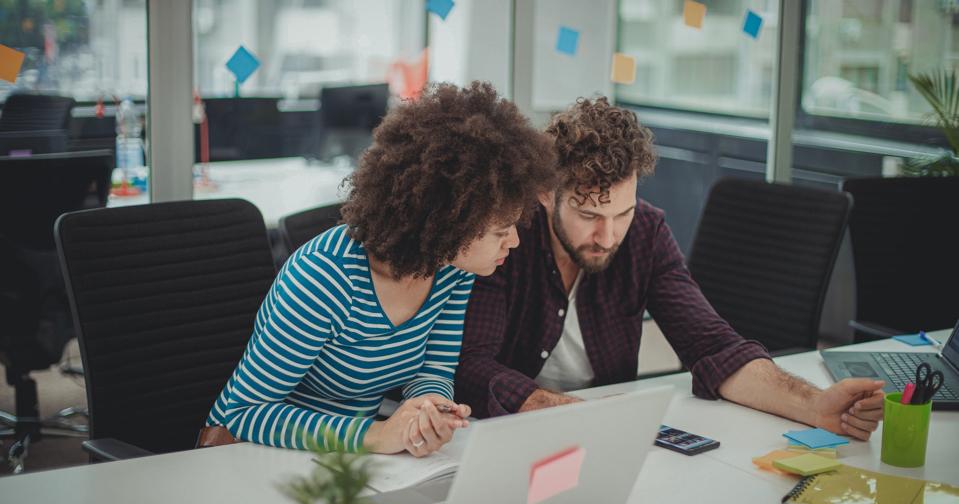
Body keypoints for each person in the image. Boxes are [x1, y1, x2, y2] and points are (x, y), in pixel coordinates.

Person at [454, 97, 884, 440]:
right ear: (547, 195)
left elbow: (713, 346)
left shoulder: (645, 230)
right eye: (588, 217)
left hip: (604, 436)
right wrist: (571, 415)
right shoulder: (508, 239)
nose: (608, 236)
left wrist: (813, 404)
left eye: (621, 213)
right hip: (513, 437)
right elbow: (471, 366)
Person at [205, 82, 558, 456]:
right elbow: (246, 413)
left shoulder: (452, 269)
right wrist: (377, 434)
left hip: (344, 462)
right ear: (445, 223)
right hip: (253, 455)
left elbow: (433, 369)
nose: (514, 243)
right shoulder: (322, 277)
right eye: (501, 232)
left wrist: (429, 412)